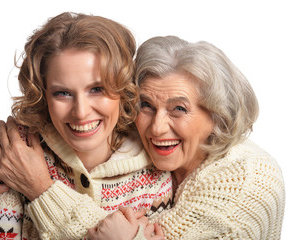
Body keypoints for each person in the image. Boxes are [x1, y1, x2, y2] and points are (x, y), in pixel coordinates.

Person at [0, 12, 173, 240]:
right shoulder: (15, 154)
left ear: (123, 89)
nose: (81, 112)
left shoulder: (155, 167)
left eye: (97, 89)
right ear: (43, 96)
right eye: (62, 93)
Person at [88, 36, 286, 239]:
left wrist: (52, 190)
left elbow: (99, 232)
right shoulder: (134, 154)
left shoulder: (250, 180)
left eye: (179, 109)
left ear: (218, 116)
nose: (157, 128)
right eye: (146, 105)